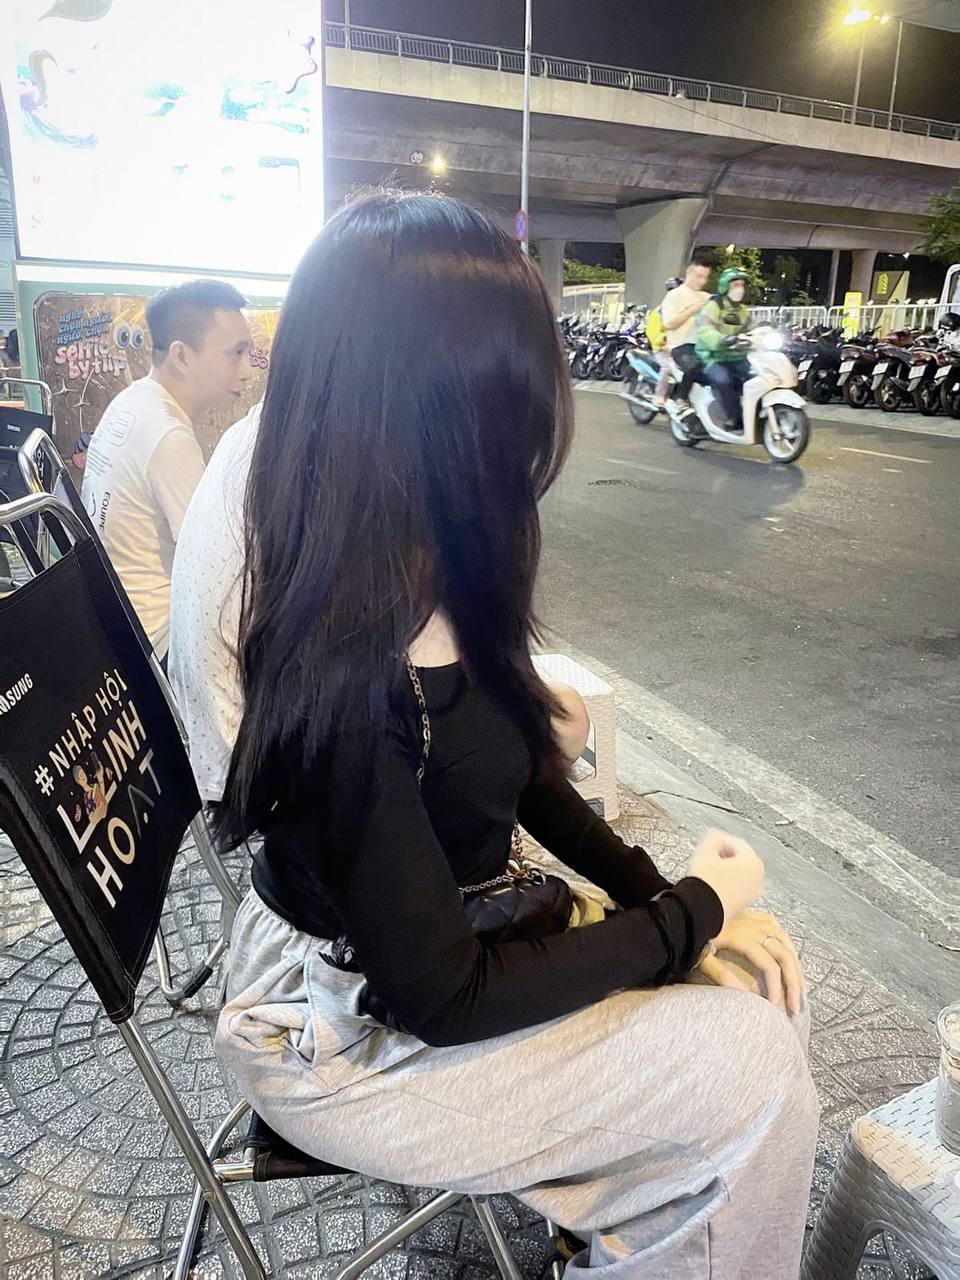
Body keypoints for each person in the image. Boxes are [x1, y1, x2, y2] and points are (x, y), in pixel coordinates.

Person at [208, 191, 817, 1280]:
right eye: (515, 396)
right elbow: (445, 996)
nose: (540, 429)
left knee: (754, 998)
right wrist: (689, 914)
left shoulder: (441, 556)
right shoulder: (347, 665)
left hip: (428, 956)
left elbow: (527, 774)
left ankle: (650, 1235)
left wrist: (663, 900)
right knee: (754, 1063)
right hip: (340, 1037)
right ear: (438, 416)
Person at [80, 280, 252, 665]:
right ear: (182, 356)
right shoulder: (169, 436)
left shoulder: (131, 400)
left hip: (114, 622)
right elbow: (219, 567)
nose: (247, 372)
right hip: (159, 643)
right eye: (235, 353)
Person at [694, 266, 753, 428]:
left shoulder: (743, 311)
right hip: (712, 357)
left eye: (742, 285)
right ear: (725, 286)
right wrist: (721, 339)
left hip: (736, 356)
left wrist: (767, 330)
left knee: (756, 378)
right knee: (723, 380)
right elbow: (705, 330)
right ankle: (733, 418)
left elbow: (752, 328)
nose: (740, 289)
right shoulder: (714, 306)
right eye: (735, 285)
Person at [660, 253, 712, 408]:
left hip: (707, 345)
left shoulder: (707, 296)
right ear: (689, 272)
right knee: (696, 365)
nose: (702, 281)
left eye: (705, 277)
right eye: (699, 276)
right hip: (680, 346)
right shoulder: (675, 295)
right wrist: (693, 309)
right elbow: (669, 323)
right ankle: (680, 398)